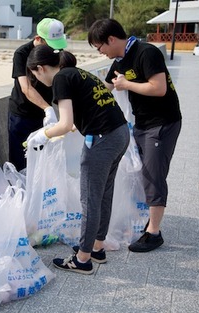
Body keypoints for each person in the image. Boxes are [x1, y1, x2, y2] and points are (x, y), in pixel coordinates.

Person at [26, 45, 129, 274]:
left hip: (103, 139)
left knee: (90, 199)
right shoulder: (76, 72)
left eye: (35, 75)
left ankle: (83, 259)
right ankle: (97, 247)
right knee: (103, 193)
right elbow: (75, 119)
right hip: (120, 133)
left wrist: (42, 135)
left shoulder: (60, 79)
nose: (37, 80)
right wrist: (60, 129)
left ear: (40, 69)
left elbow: (64, 124)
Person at [87, 18, 182, 253]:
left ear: (111, 40)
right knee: (145, 172)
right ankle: (151, 220)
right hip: (141, 123)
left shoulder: (146, 53)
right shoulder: (120, 59)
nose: (100, 52)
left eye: (100, 47)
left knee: (153, 175)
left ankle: (154, 233)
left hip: (162, 123)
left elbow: (158, 88)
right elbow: (105, 88)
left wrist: (127, 84)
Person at [8, 18, 67, 171]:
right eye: (49, 44)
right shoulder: (22, 54)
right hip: (22, 115)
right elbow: (26, 88)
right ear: (38, 39)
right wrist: (48, 108)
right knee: (21, 162)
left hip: (44, 118)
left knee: (44, 163)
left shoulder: (55, 52)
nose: (53, 49)